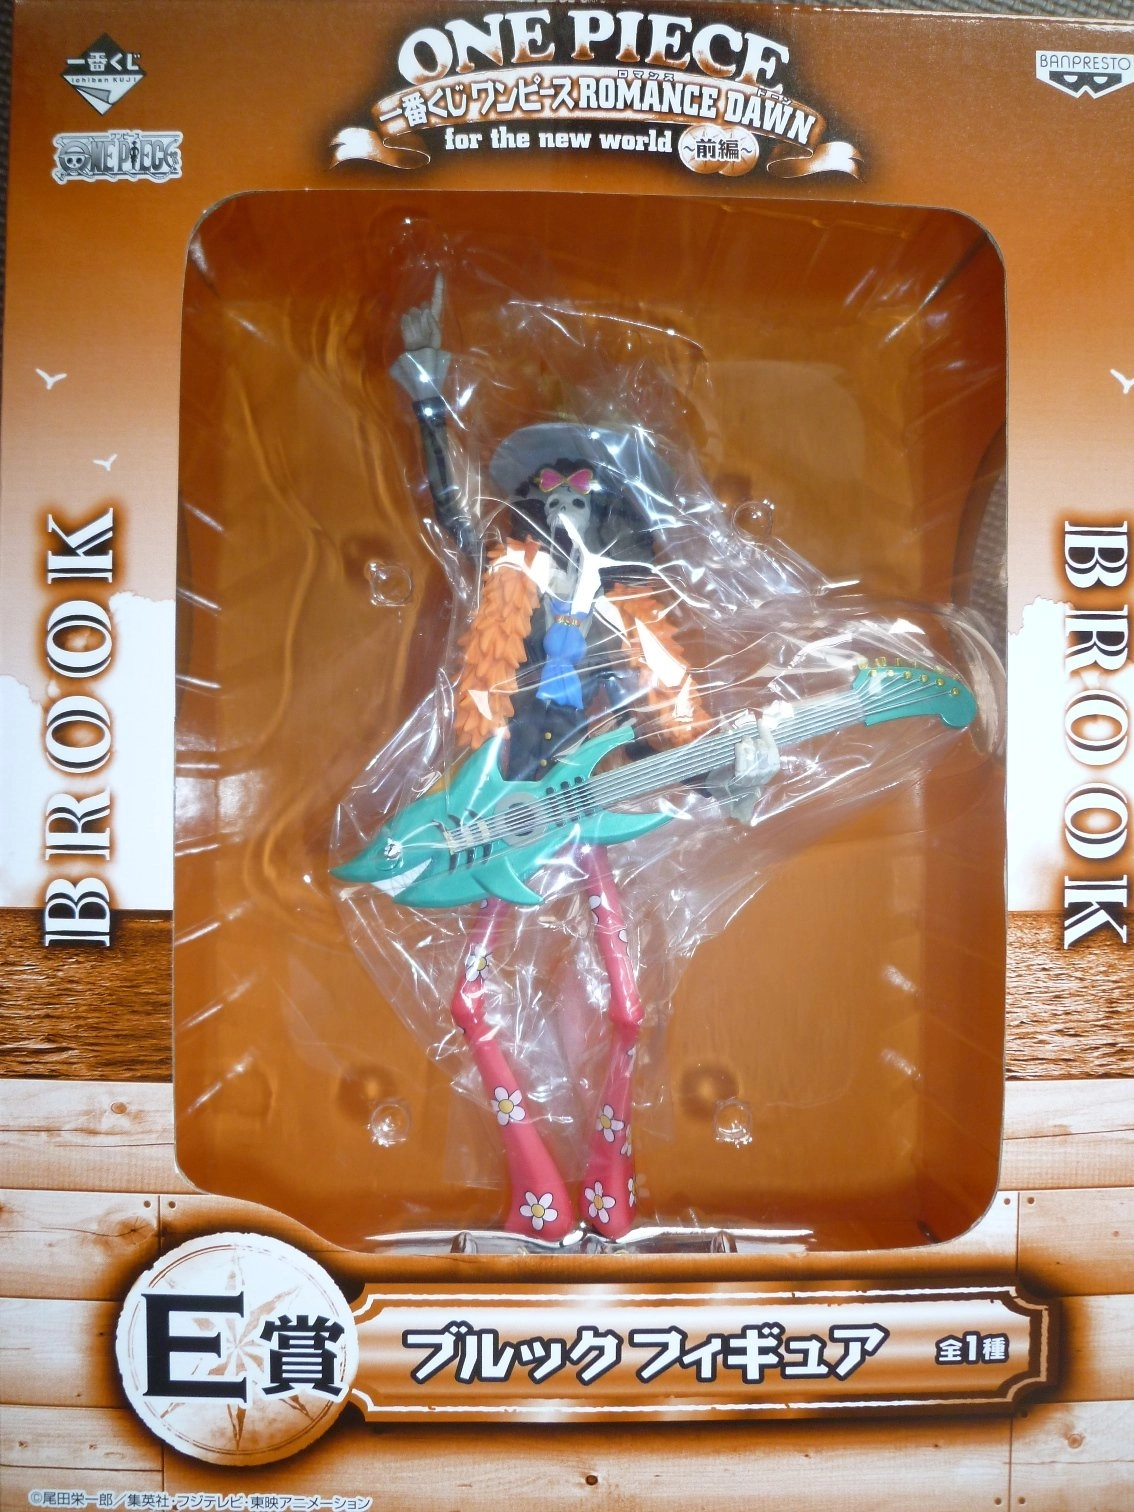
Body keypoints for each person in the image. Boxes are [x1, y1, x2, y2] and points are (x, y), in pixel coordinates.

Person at [383, 277, 777, 1242]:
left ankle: (599, 1179)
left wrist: (717, 769)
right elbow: (452, 516)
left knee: (628, 1002)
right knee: (475, 990)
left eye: (586, 492)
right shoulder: (509, 587)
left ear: (617, 512)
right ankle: (536, 1180)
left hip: (592, 797)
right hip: (512, 790)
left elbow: (660, 717)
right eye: (553, 489)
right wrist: (429, 398)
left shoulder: (630, 617)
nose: (567, 503)